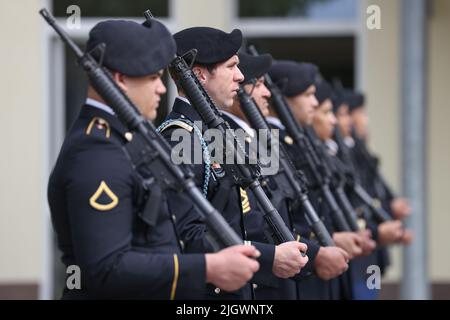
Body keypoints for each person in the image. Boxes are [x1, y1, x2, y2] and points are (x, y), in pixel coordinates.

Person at [47, 19, 261, 300]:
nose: (161, 89)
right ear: (121, 78)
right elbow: (108, 268)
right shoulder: (96, 153)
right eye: (151, 78)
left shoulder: (128, 136)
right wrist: (207, 267)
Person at [161, 27, 308, 299]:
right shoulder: (182, 137)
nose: (240, 77)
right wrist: (268, 257)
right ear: (199, 75)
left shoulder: (214, 131)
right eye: (231, 66)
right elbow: (186, 236)